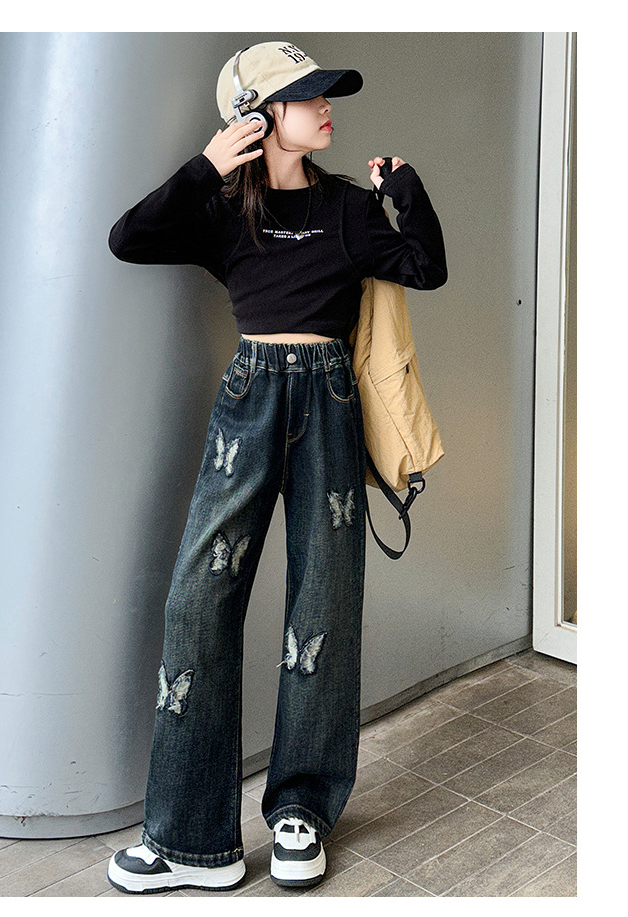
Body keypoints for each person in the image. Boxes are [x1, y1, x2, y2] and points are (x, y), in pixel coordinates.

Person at [105, 40, 447, 894]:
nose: (326, 107)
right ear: (257, 118)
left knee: (323, 604)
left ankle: (301, 810)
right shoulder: (224, 211)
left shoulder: (348, 207)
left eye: (324, 94)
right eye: (306, 96)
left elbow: (425, 266)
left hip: (328, 399)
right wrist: (205, 165)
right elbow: (127, 238)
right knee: (197, 602)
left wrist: (406, 192)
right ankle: (190, 840)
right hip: (250, 398)